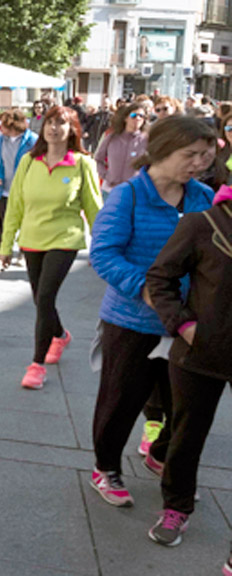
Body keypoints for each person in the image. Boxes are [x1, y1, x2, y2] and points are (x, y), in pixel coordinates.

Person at [87, 115, 215, 509]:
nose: (198, 163)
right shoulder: (128, 195)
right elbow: (103, 253)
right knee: (121, 400)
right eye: (189, 154)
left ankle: (161, 454)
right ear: (162, 151)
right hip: (132, 320)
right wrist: (145, 287)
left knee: (182, 404)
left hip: (186, 323)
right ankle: (106, 467)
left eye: (205, 156)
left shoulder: (203, 198)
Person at [144, 174, 232, 549]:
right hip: (200, 354)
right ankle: (175, 507)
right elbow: (161, 276)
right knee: (186, 434)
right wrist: (183, 324)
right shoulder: (204, 223)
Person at [0, 106, 102, 389]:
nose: (54, 128)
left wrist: (102, 248)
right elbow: (15, 207)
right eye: (50, 123)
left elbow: (95, 209)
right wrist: (5, 246)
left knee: (44, 298)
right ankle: (59, 335)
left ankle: (36, 365)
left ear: (72, 130)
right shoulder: (29, 162)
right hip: (32, 239)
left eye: (61, 123)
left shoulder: (82, 163)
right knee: (40, 300)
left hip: (64, 239)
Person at [0, 108, 38, 263]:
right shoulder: (0, 140)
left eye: (5, 126)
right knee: (4, 222)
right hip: (4, 189)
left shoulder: (33, 140)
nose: (2, 128)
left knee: (25, 223)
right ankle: (3, 254)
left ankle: (23, 252)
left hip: (25, 189)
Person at [96, 103, 149, 199]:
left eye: (141, 116)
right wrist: (105, 175)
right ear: (126, 118)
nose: (137, 118)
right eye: (133, 115)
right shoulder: (112, 137)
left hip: (134, 192)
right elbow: (98, 159)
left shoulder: (146, 140)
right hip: (109, 190)